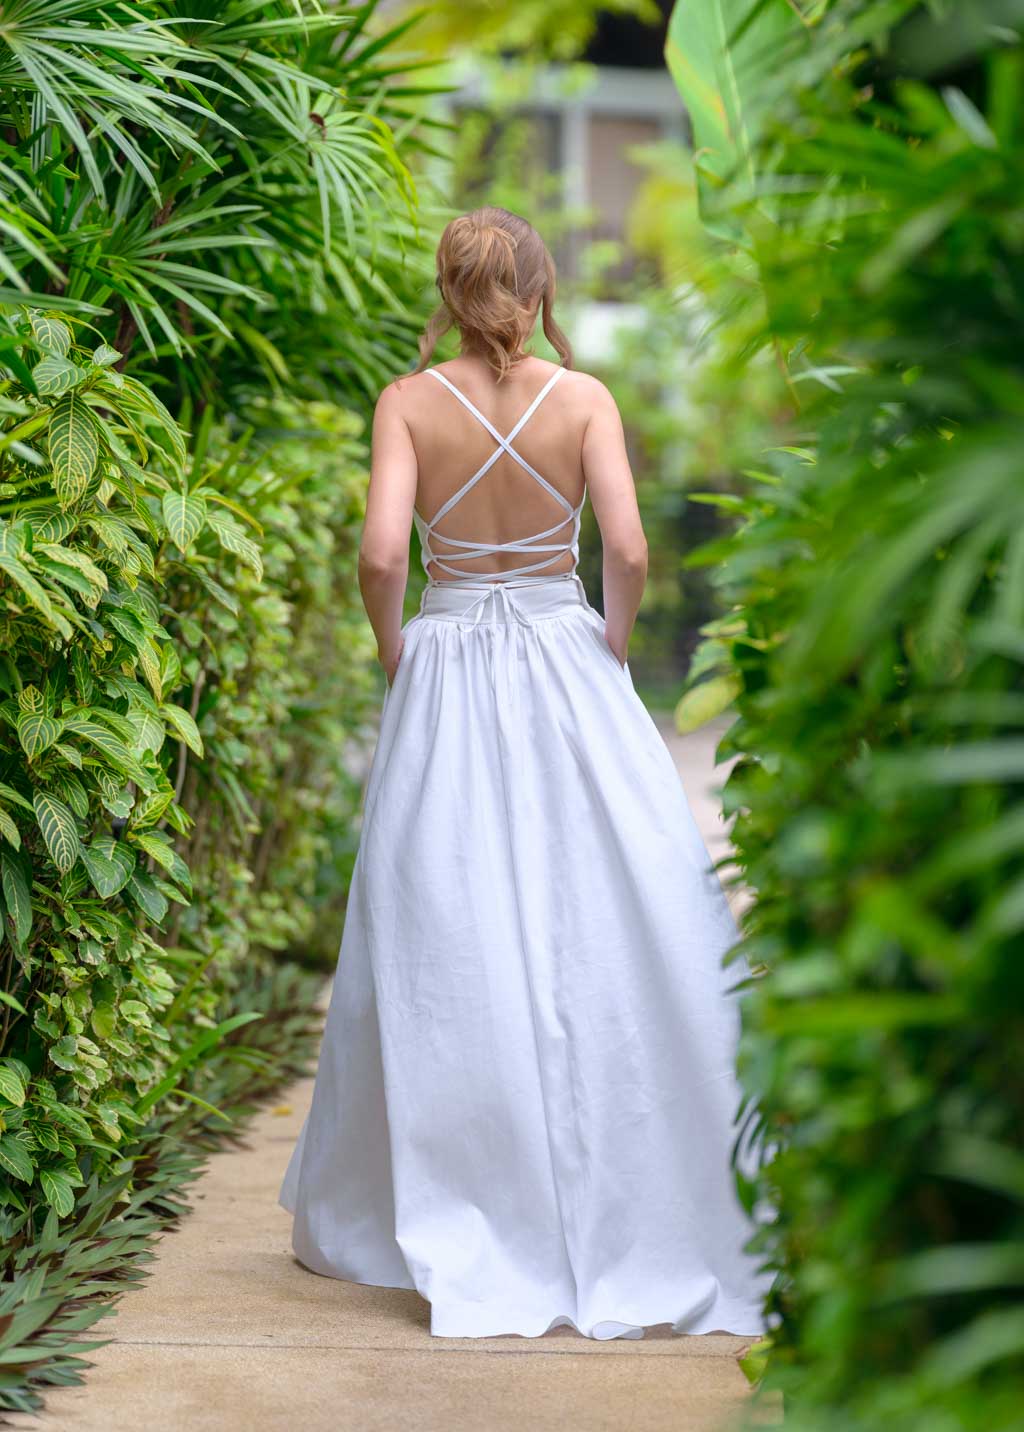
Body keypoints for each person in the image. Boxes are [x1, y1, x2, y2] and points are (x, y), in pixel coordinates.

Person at [279, 205, 772, 1341]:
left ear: (448, 293)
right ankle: (629, 1174)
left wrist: (397, 647)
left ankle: (456, 1188)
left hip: (447, 656)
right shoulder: (585, 399)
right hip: (563, 651)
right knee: (604, 907)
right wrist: (607, 636)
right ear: (540, 290)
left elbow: (381, 555)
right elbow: (632, 550)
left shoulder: (405, 404)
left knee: (443, 920)